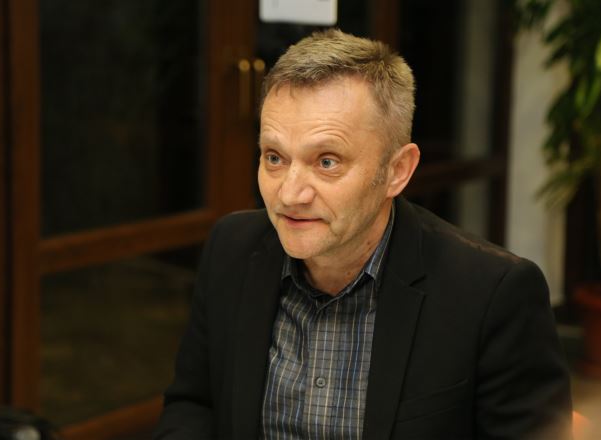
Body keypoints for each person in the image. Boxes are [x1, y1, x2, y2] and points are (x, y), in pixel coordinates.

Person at [153, 29, 572, 439]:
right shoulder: (232, 247)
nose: (290, 195)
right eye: (275, 157)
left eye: (327, 162)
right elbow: (195, 403)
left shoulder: (493, 295)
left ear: (397, 171)